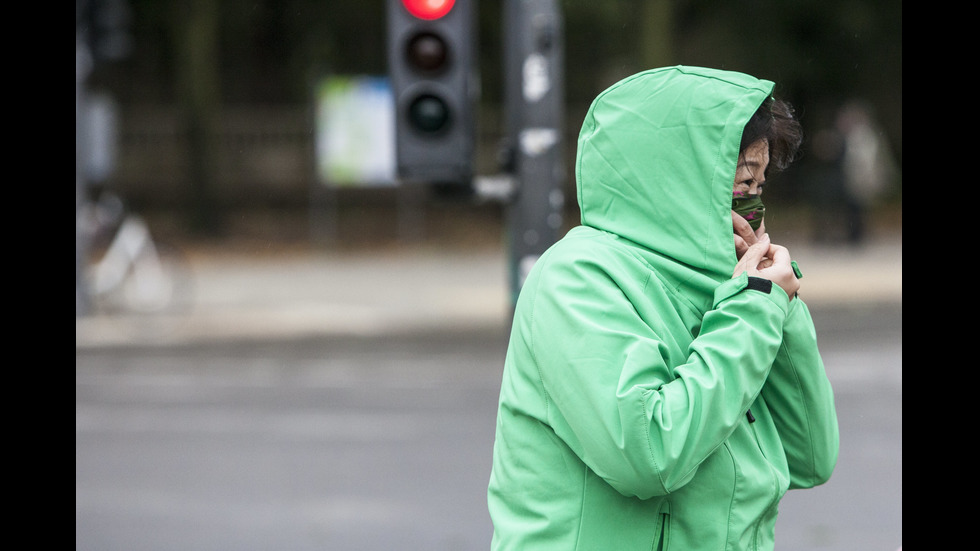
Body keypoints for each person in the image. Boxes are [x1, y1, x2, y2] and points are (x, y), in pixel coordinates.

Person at [487, 66, 839, 551]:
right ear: (674, 179)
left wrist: (780, 304)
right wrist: (756, 307)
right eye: (740, 182)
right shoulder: (578, 276)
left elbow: (810, 456)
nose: (753, 201)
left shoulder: (724, 282)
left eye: (760, 185)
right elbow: (650, 454)